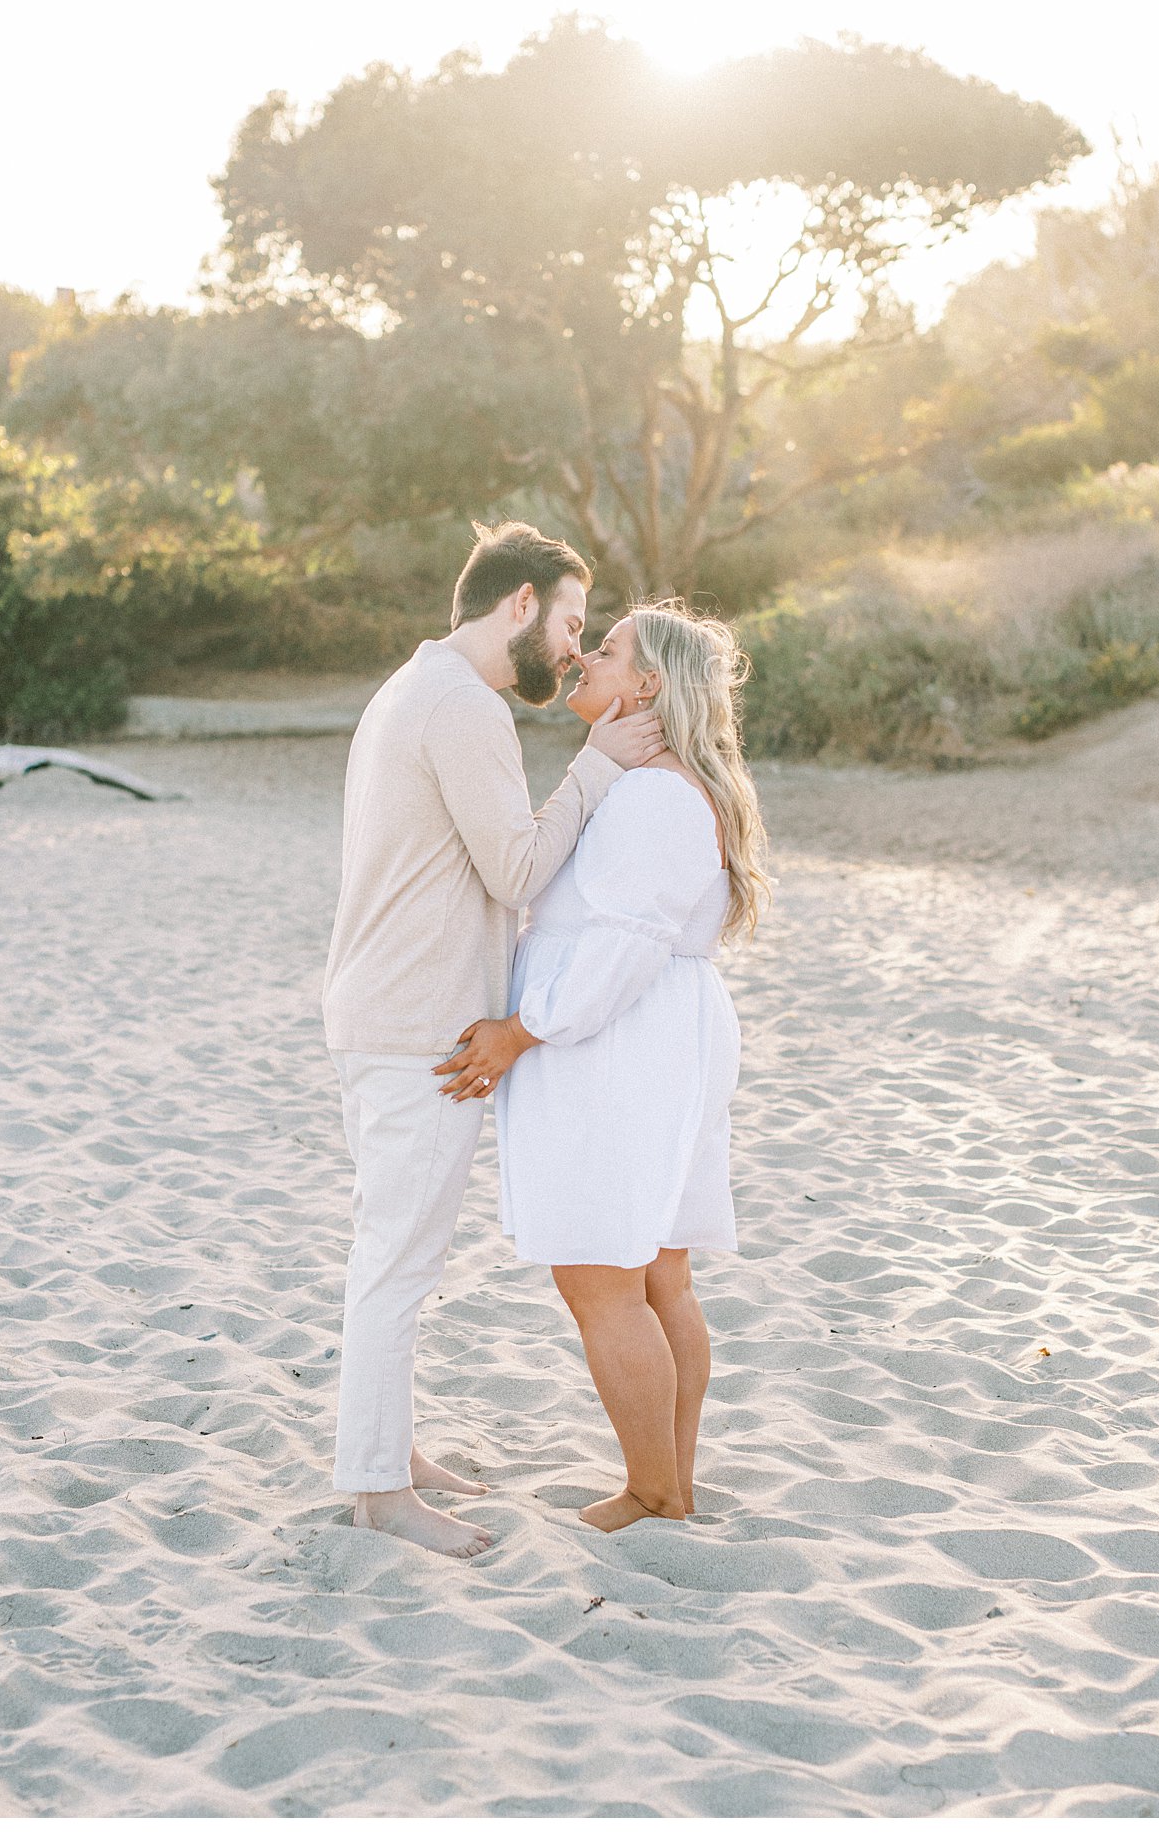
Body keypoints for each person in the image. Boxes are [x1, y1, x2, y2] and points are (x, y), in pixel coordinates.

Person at [321, 521, 665, 1559]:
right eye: (567, 622)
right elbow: (516, 870)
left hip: (387, 1008)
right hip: (414, 1022)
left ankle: (387, 1448)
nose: (572, 648)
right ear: (518, 603)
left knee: (395, 1252)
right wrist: (597, 768)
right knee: (397, 1261)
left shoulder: (410, 687)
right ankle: (379, 1491)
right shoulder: (464, 707)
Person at [434, 600, 770, 1531]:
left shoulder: (656, 796)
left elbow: (620, 947)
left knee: (602, 1277)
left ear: (648, 686)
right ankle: (667, 1481)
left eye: (606, 649)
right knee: (659, 1275)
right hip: (650, 1037)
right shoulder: (656, 784)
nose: (582, 655)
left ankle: (655, 1488)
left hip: (616, 1047)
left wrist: (523, 1030)